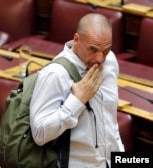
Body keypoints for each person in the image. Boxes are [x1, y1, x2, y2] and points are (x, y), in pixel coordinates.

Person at [30, 13, 125, 168]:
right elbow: (40, 134)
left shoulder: (110, 61)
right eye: (93, 49)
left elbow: (110, 120)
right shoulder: (56, 74)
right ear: (76, 40)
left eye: (106, 50)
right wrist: (77, 101)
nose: (100, 58)